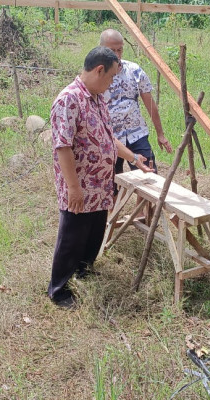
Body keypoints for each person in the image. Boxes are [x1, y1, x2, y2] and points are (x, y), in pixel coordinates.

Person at [48, 46, 152, 308]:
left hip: (100, 186)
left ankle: (83, 271)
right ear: (98, 70)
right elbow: (63, 146)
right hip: (81, 186)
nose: (112, 83)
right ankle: (58, 290)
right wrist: (73, 189)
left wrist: (133, 159)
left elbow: (108, 139)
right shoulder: (69, 100)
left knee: (94, 233)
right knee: (72, 236)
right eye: (111, 78)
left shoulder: (96, 98)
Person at [100, 29, 173, 183]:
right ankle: (115, 206)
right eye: (111, 50)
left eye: (119, 50)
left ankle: (145, 207)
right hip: (110, 137)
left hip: (136, 134)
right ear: (101, 49)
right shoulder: (97, 75)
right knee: (111, 181)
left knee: (148, 177)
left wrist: (160, 134)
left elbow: (150, 104)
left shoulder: (134, 71)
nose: (116, 54)